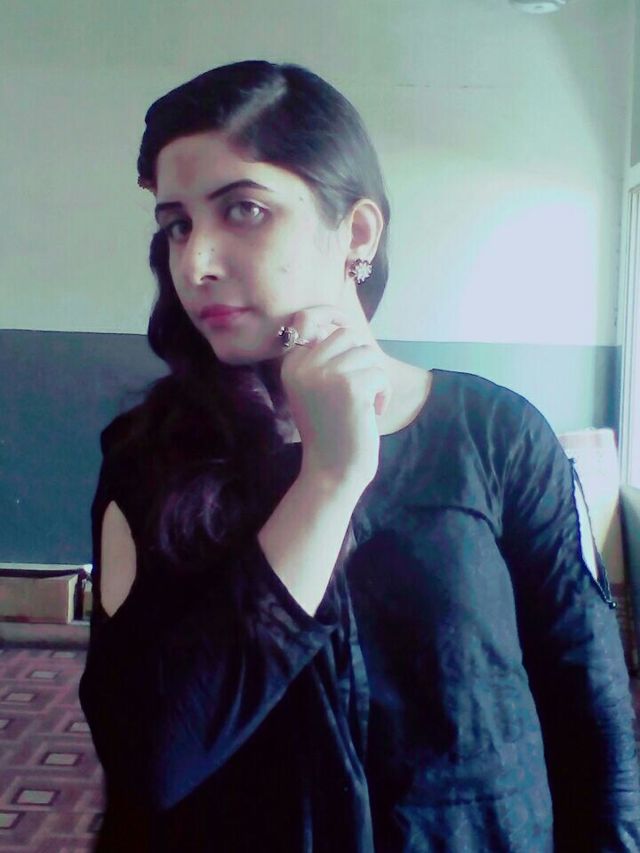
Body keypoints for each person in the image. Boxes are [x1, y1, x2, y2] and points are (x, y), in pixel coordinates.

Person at [79, 60, 640, 852]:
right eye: (176, 224)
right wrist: (329, 480)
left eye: (243, 209)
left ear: (358, 233)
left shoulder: (498, 435)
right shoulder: (149, 458)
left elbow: (592, 713)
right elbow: (151, 756)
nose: (195, 261)